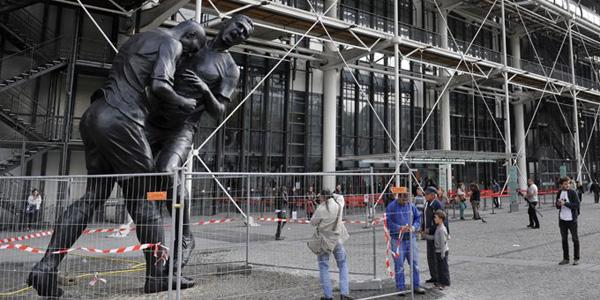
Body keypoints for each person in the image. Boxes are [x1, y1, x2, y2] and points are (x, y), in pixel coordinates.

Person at [27, 20, 205, 297]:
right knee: (145, 197)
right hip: (122, 121)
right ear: (190, 35)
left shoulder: (139, 38)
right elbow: (160, 85)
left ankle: (46, 266)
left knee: (93, 196)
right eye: (194, 49)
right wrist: (185, 103)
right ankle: (157, 276)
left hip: (95, 115)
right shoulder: (171, 42)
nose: (190, 55)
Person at [145, 15, 254, 271]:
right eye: (237, 27)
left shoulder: (230, 68)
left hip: (182, 127)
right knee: (136, 178)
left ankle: (185, 237)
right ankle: (153, 261)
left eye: (244, 34)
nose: (238, 33)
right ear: (227, 23)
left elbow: (218, 113)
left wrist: (205, 90)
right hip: (152, 119)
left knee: (166, 171)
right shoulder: (194, 38)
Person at [310, 189, 352, 300]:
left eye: (320, 196)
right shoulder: (339, 204)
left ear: (323, 197)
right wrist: (332, 194)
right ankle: (344, 292)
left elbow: (312, 223)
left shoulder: (321, 209)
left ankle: (328, 296)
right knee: (343, 265)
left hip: (324, 242)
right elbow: (340, 196)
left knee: (324, 267)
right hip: (337, 240)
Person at [386, 189, 426, 296]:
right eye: (403, 200)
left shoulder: (411, 205)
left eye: (406, 200)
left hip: (411, 239)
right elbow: (388, 222)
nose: (405, 202)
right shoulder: (391, 207)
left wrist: (414, 226)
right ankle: (400, 287)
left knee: (415, 264)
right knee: (399, 265)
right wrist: (399, 228)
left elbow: (418, 218)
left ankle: (416, 285)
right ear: (398, 197)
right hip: (397, 240)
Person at [423, 187, 448, 285]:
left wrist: (430, 229)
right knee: (430, 256)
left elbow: (441, 219)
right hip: (428, 233)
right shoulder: (428, 203)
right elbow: (425, 217)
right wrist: (423, 227)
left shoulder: (437, 204)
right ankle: (433, 275)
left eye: (427, 194)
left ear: (433, 195)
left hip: (436, 234)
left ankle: (438, 278)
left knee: (435, 256)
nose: (425, 195)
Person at [422, 210, 450, 290]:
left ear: (440, 219)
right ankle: (440, 282)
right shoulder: (438, 227)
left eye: (436, 217)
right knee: (439, 268)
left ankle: (444, 283)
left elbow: (443, 243)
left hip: (442, 251)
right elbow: (434, 237)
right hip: (438, 251)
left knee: (443, 268)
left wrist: (442, 253)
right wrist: (425, 236)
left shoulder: (441, 229)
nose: (434, 219)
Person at [556, 177, 580, 265]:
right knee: (564, 239)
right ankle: (566, 258)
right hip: (562, 219)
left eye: (569, 183)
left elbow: (577, 205)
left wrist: (565, 203)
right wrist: (558, 204)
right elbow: (557, 206)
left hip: (572, 220)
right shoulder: (559, 192)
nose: (567, 185)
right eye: (565, 184)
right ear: (561, 184)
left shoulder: (573, 192)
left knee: (575, 239)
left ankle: (576, 258)